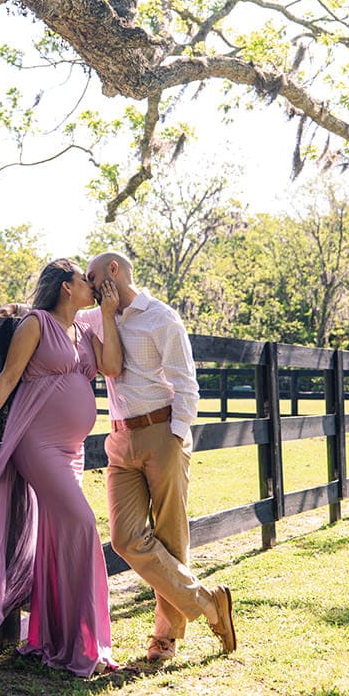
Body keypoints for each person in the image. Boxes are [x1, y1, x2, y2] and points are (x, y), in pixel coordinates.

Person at [0, 258, 123, 677]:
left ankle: (58, 639)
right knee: (83, 525)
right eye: (84, 280)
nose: (92, 286)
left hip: (70, 450)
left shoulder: (86, 330)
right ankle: (84, 642)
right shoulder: (36, 324)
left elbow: (111, 366)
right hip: (37, 444)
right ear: (64, 287)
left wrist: (109, 316)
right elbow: (8, 379)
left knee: (57, 538)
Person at [81, 251, 236, 663]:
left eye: (92, 277)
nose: (88, 285)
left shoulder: (161, 316)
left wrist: (176, 436)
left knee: (169, 535)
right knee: (125, 537)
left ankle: (164, 637)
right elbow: (59, 317)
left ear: (113, 272)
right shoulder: (96, 318)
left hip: (161, 432)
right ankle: (206, 601)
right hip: (118, 439)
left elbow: (186, 382)